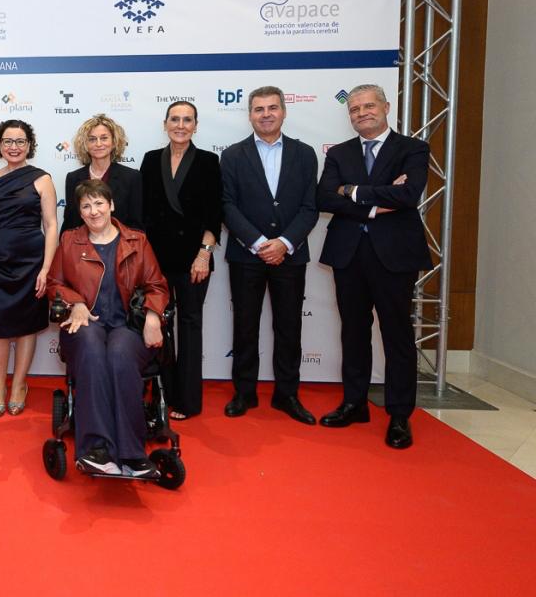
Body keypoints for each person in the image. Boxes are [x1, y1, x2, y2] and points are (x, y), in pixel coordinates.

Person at [316, 84, 433, 449]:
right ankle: (354, 403)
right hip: (348, 253)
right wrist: (377, 200)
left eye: (368, 106)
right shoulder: (339, 153)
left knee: (397, 334)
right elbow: (324, 197)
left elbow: (408, 195)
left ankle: (399, 414)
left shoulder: (412, 148)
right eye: (354, 109)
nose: (362, 113)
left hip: (394, 254)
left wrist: (352, 190)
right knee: (353, 331)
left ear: (385, 107)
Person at [48, 179, 169, 477]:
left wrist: (154, 316)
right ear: (79, 212)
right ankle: (96, 450)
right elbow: (54, 284)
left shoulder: (137, 241)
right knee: (91, 349)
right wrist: (76, 302)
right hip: (85, 324)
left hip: (127, 326)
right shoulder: (70, 241)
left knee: (119, 355)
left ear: (111, 205)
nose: (94, 211)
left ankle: (132, 454)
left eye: (99, 203)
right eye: (86, 206)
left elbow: (157, 285)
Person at [220, 86, 319, 424]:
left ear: (283, 112)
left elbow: (310, 206)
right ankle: (244, 393)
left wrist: (284, 243)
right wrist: (259, 242)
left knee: (289, 328)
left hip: (290, 256)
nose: (266, 114)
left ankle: (287, 395)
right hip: (247, 256)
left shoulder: (304, 154)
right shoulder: (232, 155)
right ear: (250, 114)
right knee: (244, 327)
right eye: (259, 109)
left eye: (272, 108)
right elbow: (227, 205)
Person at [140, 100, 222, 420]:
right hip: (157, 262)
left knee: (190, 325)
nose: (181, 125)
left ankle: (188, 401)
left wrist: (204, 254)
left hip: (193, 261)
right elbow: (144, 213)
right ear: (165, 124)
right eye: (175, 119)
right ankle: (164, 395)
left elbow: (214, 214)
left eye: (187, 120)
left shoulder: (208, 161)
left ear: (195, 126)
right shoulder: (150, 160)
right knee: (159, 326)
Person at [0, 120, 57, 417]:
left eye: (20, 141)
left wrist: (46, 268)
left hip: (31, 262)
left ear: (29, 145)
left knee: (27, 325)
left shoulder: (42, 179)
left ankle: (19, 385)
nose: (14, 147)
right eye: (8, 141)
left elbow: (51, 225)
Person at [62, 114, 142, 234]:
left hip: (121, 243)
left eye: (104, 138)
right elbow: (70, 222)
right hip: (82, 244)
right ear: (85, 144)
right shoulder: (73, 178)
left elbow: (136, 223)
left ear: (114, 142)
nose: (98, 144)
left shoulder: (131, 177)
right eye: (92, 139)